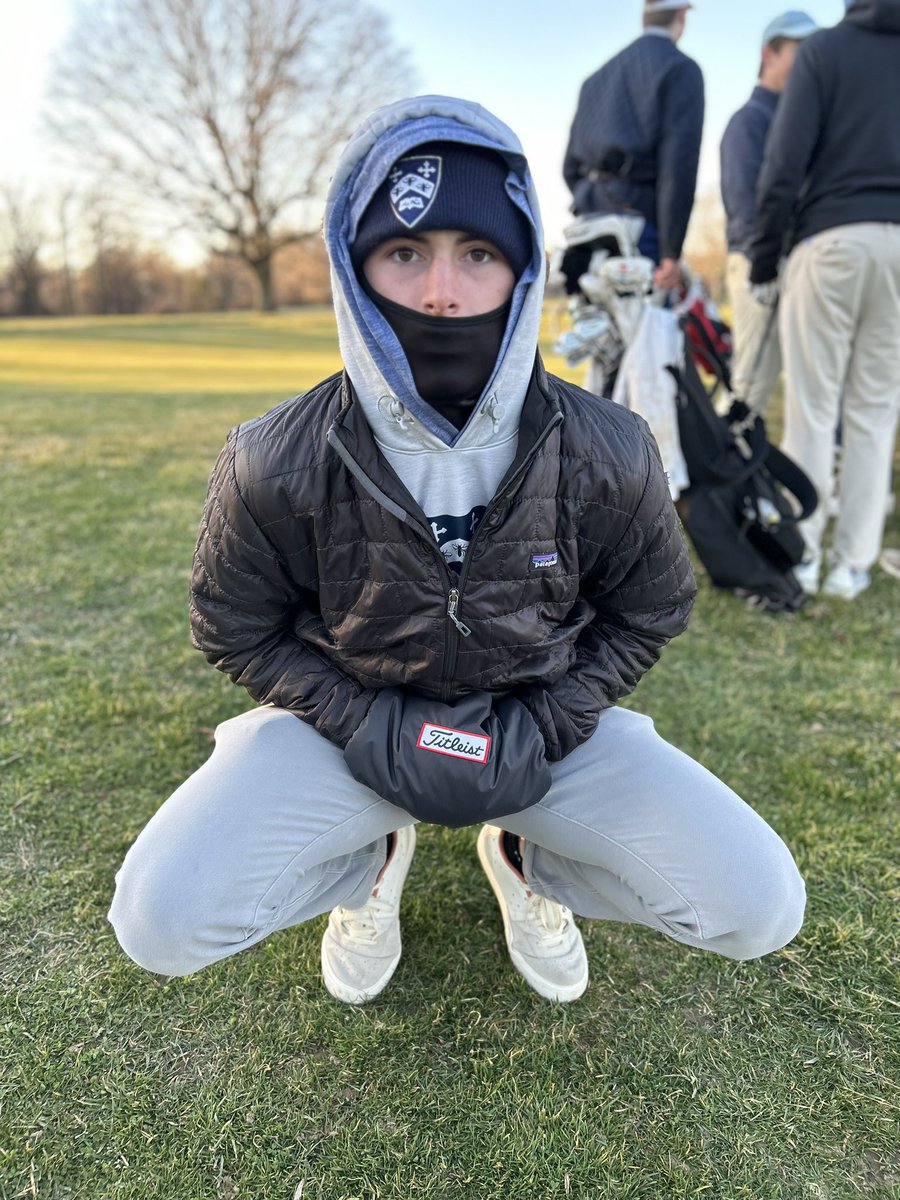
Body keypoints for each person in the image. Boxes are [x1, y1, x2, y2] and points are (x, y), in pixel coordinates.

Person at [109, 95, 805, 1006]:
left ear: (523, 269)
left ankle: (525, 859)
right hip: (346, 736)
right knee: (159, 920)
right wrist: (360, 724)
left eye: (477, 253)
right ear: (353, 266)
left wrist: (548, 725)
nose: (442, 292)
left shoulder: (613, 446)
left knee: (758, 907)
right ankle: (367, 866)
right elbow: (232, 625)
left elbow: (653, 610)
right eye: (405, 253)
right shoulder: (270, 457)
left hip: (542, 735)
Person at [749, 0, 900, 601]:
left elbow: (783, 162)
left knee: (813, 408)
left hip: (831, 239)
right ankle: (852, 567)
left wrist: (764, 259)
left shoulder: (823, 51)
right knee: (875, 410)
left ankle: (805, 557)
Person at [562, 0, 704, 291]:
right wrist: (671, 252)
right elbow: (678, 166)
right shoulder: (680, 69)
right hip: (638, 225)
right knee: (649, 319)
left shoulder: (595, 80)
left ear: (645, 15)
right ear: (682, 15)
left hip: (587, 226)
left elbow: (569, 169)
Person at [719, 11, 818, 415]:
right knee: (750, 385)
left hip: (789, 264)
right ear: (769, 54)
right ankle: (725, 457)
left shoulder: (794, 120)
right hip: (757, 266)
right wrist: (766, 263)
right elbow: (743, 204)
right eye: (800, 50)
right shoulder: (749, 121)